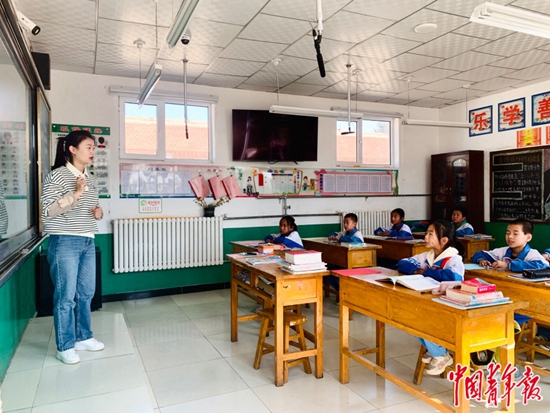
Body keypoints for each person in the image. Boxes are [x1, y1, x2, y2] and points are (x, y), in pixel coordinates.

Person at [41, 130, 105, 365]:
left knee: (86, 293)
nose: (92, 151)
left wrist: (98, 213)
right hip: (64, 240)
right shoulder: (57, 176)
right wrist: (76, 193)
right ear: (72, 149)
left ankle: (83, 337)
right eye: (88, 147)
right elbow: (48, 210)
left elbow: (94, 208)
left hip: (88, 239)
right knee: (65, 297)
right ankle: (65, 346)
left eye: (93, 148)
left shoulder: (91, 178)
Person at [398, 220, 465, 375]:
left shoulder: (453, 259)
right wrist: (415, 271)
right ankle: (436, 350)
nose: (425, 237)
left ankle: (440, 354)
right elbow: (402, 263)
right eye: (426, 233)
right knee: (408, 319)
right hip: (428, 302)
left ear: (444, 240)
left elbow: (454, 276)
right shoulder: (426, 256)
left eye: (430, 234)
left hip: (447, 307)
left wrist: (427, 272)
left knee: (422, 320)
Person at [472, 218, 548, 327]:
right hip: (507, 295)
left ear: (528, 237)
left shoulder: (532, 254)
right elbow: (479, 254)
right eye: (508, 233)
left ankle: (508, 328)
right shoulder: (503, 251)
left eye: (515, 234)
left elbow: (543, 266)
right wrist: (482, 260)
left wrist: (509, 265)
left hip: (527, 300)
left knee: (503, 316)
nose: (510, 237)